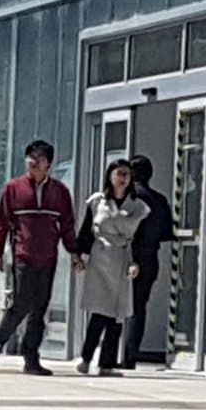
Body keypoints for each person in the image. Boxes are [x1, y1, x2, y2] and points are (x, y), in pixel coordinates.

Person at [0, 139, 81, 376]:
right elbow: (2, 223)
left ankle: (31, 357)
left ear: (48, 164)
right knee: (21, 304)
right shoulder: (13, 189)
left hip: (48, 257)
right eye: (30, 158)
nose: (33, 162)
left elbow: (67, 225)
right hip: (23, 256)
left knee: (40, 309)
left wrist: (74, 252)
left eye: (39, 159)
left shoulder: (59, 192)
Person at [74, 159, 147, 377]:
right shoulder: (97, 202)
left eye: (126, 174)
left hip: (122, 258)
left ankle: (107, 362)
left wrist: (136, 263)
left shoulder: (138, 207)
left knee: (117, 313)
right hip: (100, 258)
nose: (123, 178)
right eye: (119, 174)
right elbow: (86, 231)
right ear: (110, 176)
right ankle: (87, 357)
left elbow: (141, 240)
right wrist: (79, 256)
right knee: (100, 310)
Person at [122, 154, 175, 369]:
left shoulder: (127, 199)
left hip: (125, 256)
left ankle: (113, 353)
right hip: (149, 257)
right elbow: (166, 233)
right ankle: (130, 354)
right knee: (138, 307)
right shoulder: (159, 200)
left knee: (115, 306)